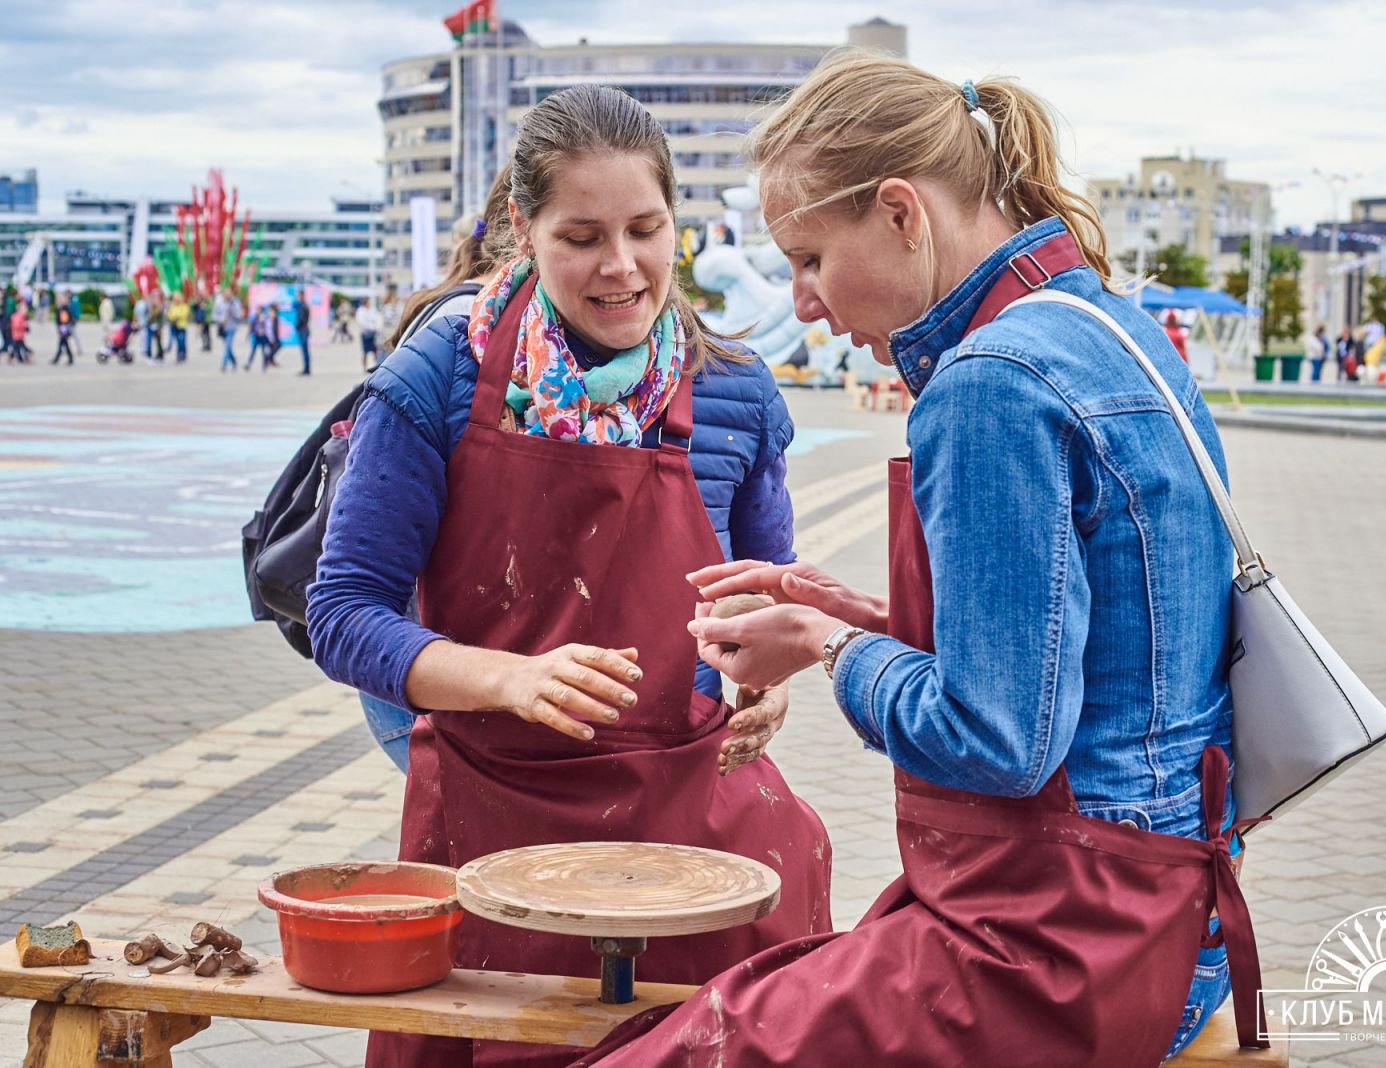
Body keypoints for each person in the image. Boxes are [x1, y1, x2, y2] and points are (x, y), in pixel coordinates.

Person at [575, 56, 1261, 1067]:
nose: (805, 304)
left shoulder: (990, 385)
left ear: (901, 213)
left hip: (1060, 943)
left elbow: (998, 740)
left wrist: (828, 645)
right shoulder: (1111, 328)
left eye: (810, 258)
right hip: (1172, 913)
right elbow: (1084, 655)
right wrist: (850, 610)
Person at [305, 85, 832, 1068]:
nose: (621, 266)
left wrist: (764, 676)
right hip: (495, 810)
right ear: (524, 227)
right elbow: (343, 614)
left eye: (646, 229)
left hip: (689, 808)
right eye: (582, 237)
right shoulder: (438, 377)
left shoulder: (734, 389)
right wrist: (509, 679)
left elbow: (762, 588)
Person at [354, 165, 514, 773]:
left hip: (444, 674)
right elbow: (350, 599)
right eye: (581, 236)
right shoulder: (461, 332)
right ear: (525, 233)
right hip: (428, 678)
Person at [216, 290, 242, 371]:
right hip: (223, 328)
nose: (228, 296)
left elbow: (239, 316)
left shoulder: (236, 303)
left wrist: (234, 313)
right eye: (226, 295)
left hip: (232, 328)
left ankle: (223, 365)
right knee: (228, 347)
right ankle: (234, 361)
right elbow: (215, 315)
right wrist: (220, 320)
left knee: (227, 346)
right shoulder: (220, 303)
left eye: (229, 295)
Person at [355, 298, 383, 371]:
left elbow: (377, 318)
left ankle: (377, 366)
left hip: (374, 333)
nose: (369, 304)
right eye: (368, 302)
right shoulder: (361, 311)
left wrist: (377, 327)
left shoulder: (372, 310)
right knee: (365, 352)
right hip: (365, 334)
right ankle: (364, 367)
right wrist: (371, 327)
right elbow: (361, 322)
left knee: (375, 351)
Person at [292, 294, 312, 375]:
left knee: (304, 351)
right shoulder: (305, 306)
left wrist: (297, 326)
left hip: (303, 330)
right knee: (305, 351)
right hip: (304, 329)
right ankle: (306, 369)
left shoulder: (302, 307)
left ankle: (306, 369)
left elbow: (302, 319)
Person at [168, 294, 191, 364]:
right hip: (174, 326)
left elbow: (185, 314)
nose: (176, 299)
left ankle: (182, 353)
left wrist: (176, 316)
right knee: (177, 341)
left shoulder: (184, 306)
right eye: (175, 298)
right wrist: (175, 316)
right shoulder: (172, 306)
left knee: (182, 341)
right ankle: (179, 354)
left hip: (181, 326)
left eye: (178, 298)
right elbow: (170, 316)